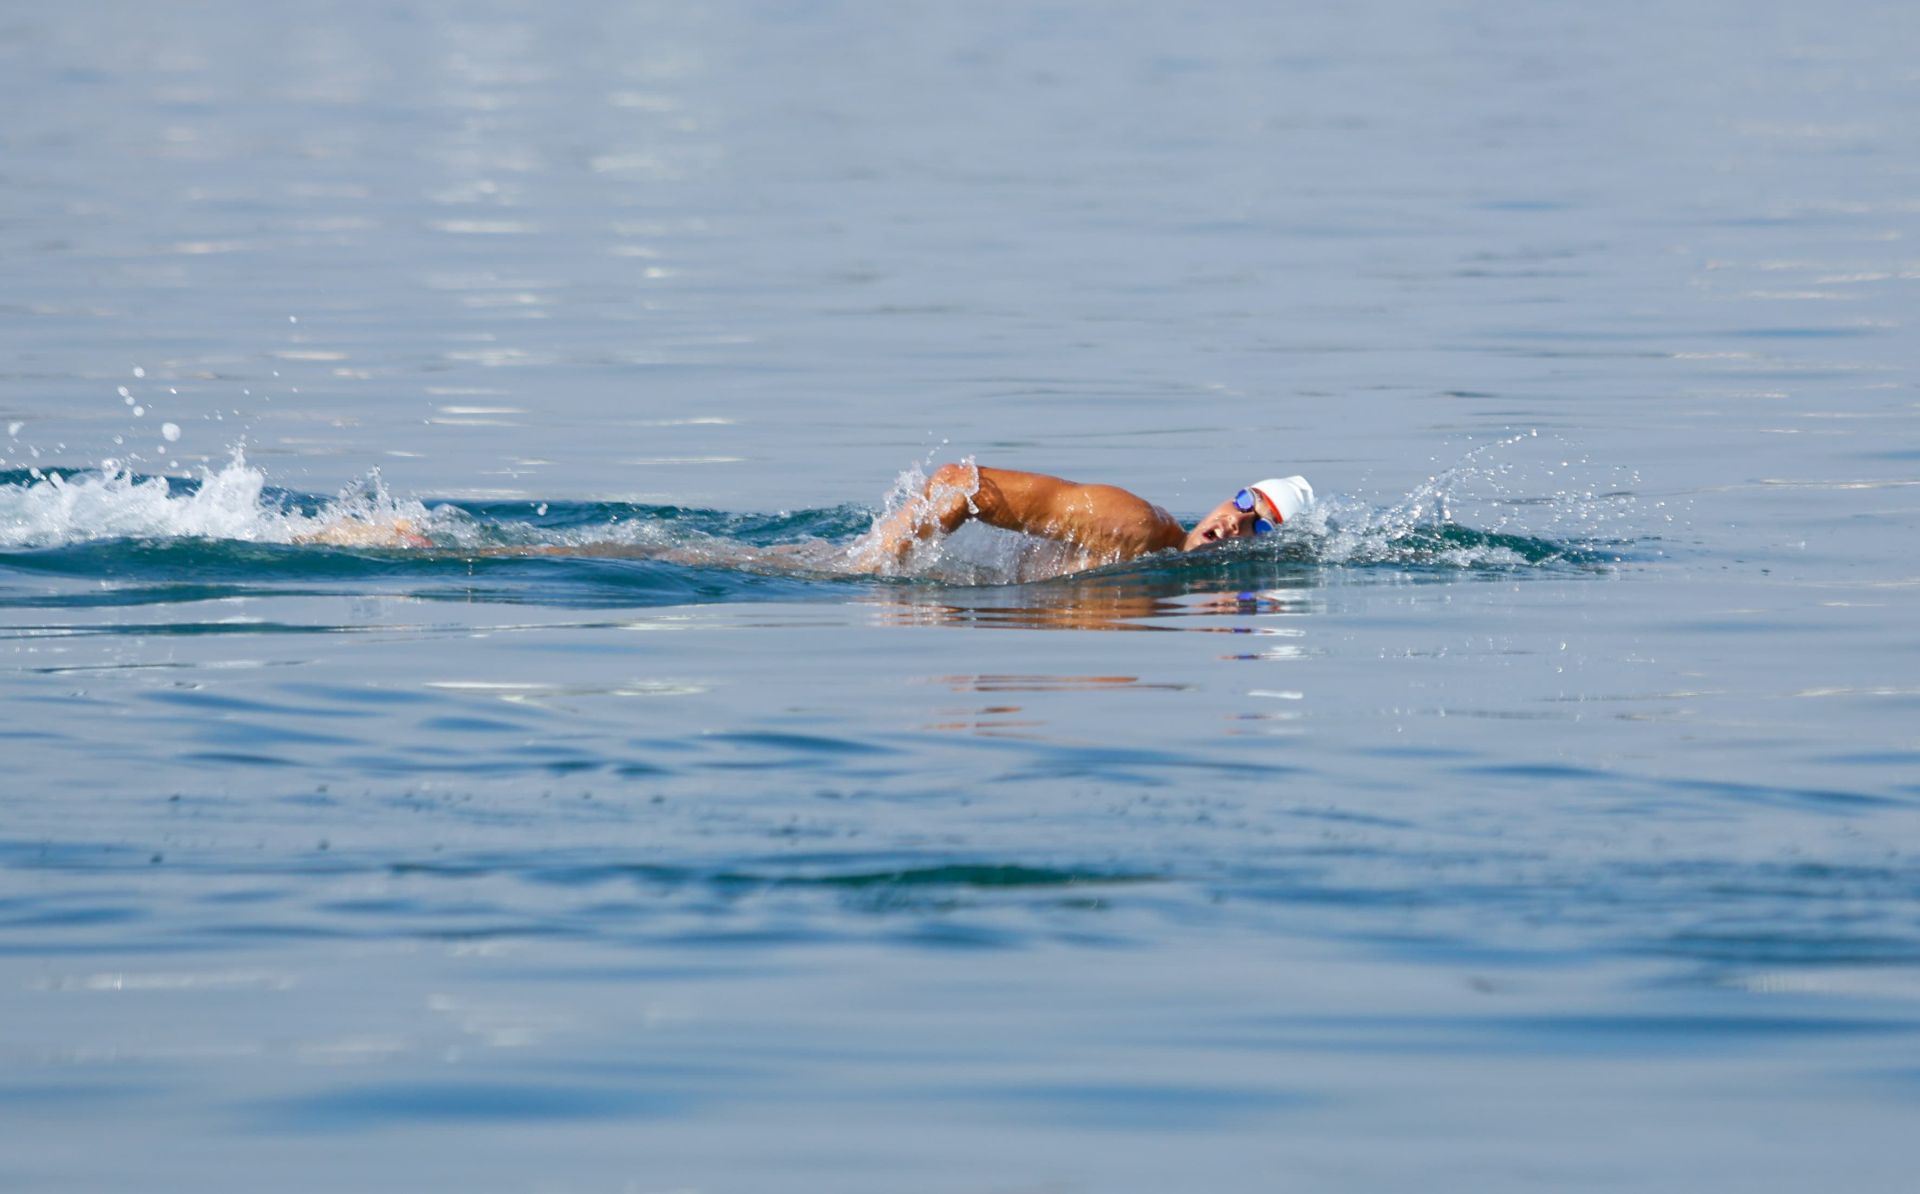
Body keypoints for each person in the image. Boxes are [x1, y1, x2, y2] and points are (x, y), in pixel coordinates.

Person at [853, 463, 1313, 572]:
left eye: (1262, 526)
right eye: (1244, 503)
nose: (1239, 522)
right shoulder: (1139, 528)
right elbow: (961, 484)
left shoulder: (1163, 573)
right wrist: (877, 570)